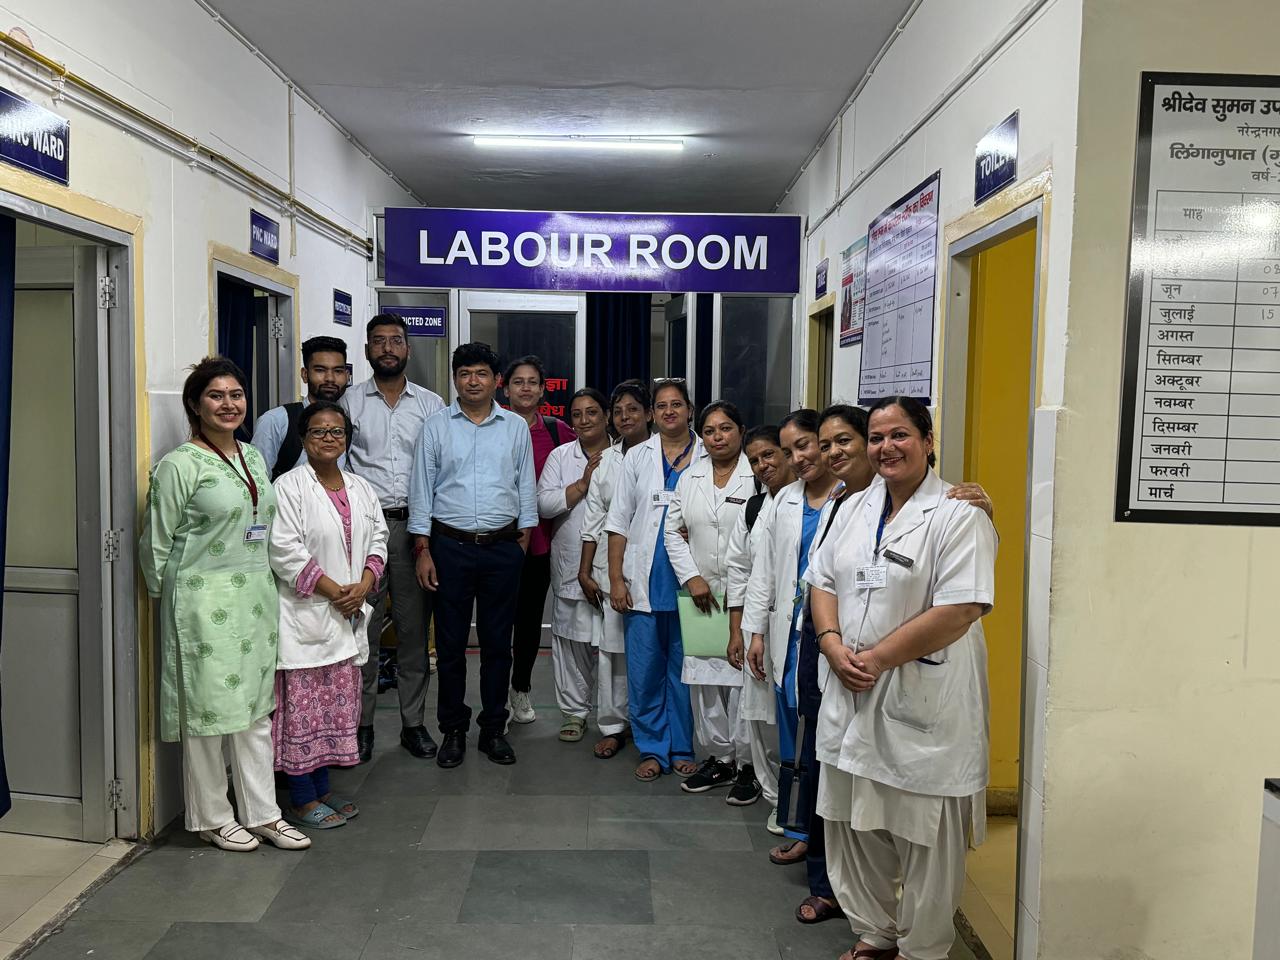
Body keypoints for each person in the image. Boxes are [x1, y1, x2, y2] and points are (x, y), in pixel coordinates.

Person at [808, 396, 997, 960]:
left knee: (925, 835)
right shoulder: (852, 507)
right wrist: (831, 642)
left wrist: (877, 658)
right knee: (853, 823)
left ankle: (922, 950)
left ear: (928, 441)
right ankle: (876, 933)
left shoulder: (958, 514)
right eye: (876, 437)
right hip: (850, 686)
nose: (886, 447)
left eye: (900, 435)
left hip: (922, 699)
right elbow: (822, 580)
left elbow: (962, 608)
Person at [139, 356, 309, 852]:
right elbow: (155, 544)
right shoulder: (179, 465)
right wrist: (171, 604)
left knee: (255, 712)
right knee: (208, 714)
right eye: (216, 396)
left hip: (254, 601)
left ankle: (263, 813)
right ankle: (211, 816)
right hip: (199, 605)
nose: (229, 404)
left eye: (236, 395)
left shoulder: (252, 457)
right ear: (196, 405)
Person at [409, 341, 537, 768]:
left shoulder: (514, 427)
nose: (473, 381)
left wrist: (520, 543)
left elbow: (526, 487)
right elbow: (422, 489)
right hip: (450, 548)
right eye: (464, 374)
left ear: (496, 380)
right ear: (455, 379)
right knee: (450, 646)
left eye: (481, 373)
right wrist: (423, 549)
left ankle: (493, 729)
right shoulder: (435, 426)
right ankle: (453, 730)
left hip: (503, 548)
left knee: (499, 644)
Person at [268, 401, 388, 829]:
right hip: (306, 617)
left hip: (347, 617)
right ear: (304, 438)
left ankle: (322, 790)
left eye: (337, 431)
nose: (329, 438)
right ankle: (301, 800)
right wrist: (337, 592)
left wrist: (366, 583)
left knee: (332, 711)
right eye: (318, 431)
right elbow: (284, 550)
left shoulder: (361, 487)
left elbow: (379, 536)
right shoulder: (288, 486)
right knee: (303, 713)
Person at [341, 313, 445, 764]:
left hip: (414, 528)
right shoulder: (348, 403)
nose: (388, 348)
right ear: (367, 350)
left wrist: (427, 537)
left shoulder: (431, 405)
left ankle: (412, 724)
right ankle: (361, 727)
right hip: (363, 527)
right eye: (379, 341)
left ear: (408, 349)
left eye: (396, 341)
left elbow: (440, 468)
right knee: (361, 630)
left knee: (412, 631)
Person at [604, 379, 702, 782]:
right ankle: (652, 747)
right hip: (642, 581)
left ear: (690, 410)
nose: (669, 412)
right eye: (661, 406)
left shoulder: (706, 454)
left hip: (692, 584)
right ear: (653, 414)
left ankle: (682, 746)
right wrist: (616, 579)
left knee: (685, 671)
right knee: (644, 673)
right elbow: (618, 521)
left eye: (677, 404)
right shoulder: (638, 456)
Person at [663, 400, 756, 796]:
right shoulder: (691, 477)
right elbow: (672, 531)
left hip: (746, 596)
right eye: (710, 431)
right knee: (705, 681)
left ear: (741, 431)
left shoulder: (757, 476)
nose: (718, 437)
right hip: (702, 597)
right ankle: (720, 759)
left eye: (726, 428)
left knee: (744, 681)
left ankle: (749, 764)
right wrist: (692, 577)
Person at [576, 379, 653, 760]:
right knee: (612, 653)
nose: (625, 417)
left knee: (652, 653)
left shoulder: (663, 455)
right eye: (619, 411)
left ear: (649, 414)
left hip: (655, 568)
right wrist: (584, 569)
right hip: (611, 568)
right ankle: (612, 726)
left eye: (633, 410)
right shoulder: (606, 461)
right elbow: (593, 517)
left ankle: (650, 726)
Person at [726, 425, 795, 825]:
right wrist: (738, 630)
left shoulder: (813, 501)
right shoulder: (754, 507)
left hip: (792, 627)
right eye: (754, 460)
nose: (762, 465)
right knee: (757, 714)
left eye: (769, 455)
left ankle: (792, 797)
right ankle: (773, 795)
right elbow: (739, 570)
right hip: (757, 626)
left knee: (788, 716)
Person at [536, 388, 611, 742]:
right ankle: (574, 712)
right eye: (577, 414)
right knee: (571, 641)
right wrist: (582, 483)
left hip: (613, 562)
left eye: (592, 412)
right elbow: (545, 504)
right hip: (570, 560)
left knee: (613, 645)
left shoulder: (626, 454)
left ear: (606, 416)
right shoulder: (560, 456)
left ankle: (615, 716)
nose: (584, 420)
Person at [505, 356, 571, 724]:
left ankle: (521, 688)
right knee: (499, 621)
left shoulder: (558, 431)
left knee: (529, 622)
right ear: (506, 388)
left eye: (533, 382)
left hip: (541, 543)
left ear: (543, 390)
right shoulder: (493, 427)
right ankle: (494, 694)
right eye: (518, 381)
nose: (526, 388)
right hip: (499, 541)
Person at [250, 336, 351, 480]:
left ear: (347, 376)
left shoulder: (346, 423)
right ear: (305, 374)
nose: (330, 378)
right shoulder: (276, 421)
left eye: (338, 371)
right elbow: (257, 482)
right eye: (320, 370)